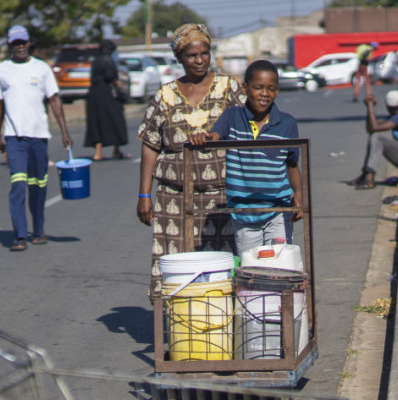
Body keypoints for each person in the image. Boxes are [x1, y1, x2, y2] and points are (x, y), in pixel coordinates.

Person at [136, 23, 245, 300]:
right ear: (179, 59)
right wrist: (144, 195)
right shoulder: (164, 95)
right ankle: (178, 331)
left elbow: (249, 131)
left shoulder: (229, 88)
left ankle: (220, 330)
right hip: (174, 198)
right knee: (175, 269)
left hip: (221, 197)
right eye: (192, 56)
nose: (199, 61)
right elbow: (150, 145)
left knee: (221, 268)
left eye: (204, 53)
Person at [191, 60, 302, 254]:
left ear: (277, 92)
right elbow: (214, 137)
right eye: (258, 88)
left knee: (279, 266)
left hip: (277, 210)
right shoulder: (232, 117)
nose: (264, 94)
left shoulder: (287, 123)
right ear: (245, 88)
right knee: (251, 268)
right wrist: (204, 138)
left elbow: (292, 164)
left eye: (271, 89)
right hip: (244, 214)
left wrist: (299, 196)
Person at [0, 25, 74, 252]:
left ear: (28, 44)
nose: (19, 47)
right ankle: (19, 236)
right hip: (14, 138)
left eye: (22, 42)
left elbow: (54, 100)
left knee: (38, 185)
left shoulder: (42, 68)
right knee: (18, 184)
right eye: (15, 43)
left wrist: (64, 132)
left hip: (39, 137)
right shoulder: (1, 71)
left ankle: (38, 230)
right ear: (10, 46)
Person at [347, 90, 398, 190]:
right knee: (374, 136)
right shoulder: (396, 117)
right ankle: (366, 174)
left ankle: (370, 177)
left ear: (387, 106)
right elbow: (371, 128)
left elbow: (374, 128)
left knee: (377, 137)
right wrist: (369, 108)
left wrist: (371, 106)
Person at [85, 40, 128, 160]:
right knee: (115, 119)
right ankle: (116, 150)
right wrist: (118, 84)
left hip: (93, 94)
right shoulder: (108, 60)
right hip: (107, 94)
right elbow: (110, 77)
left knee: (96, 121)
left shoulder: (95, 61)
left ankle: (98, 152)